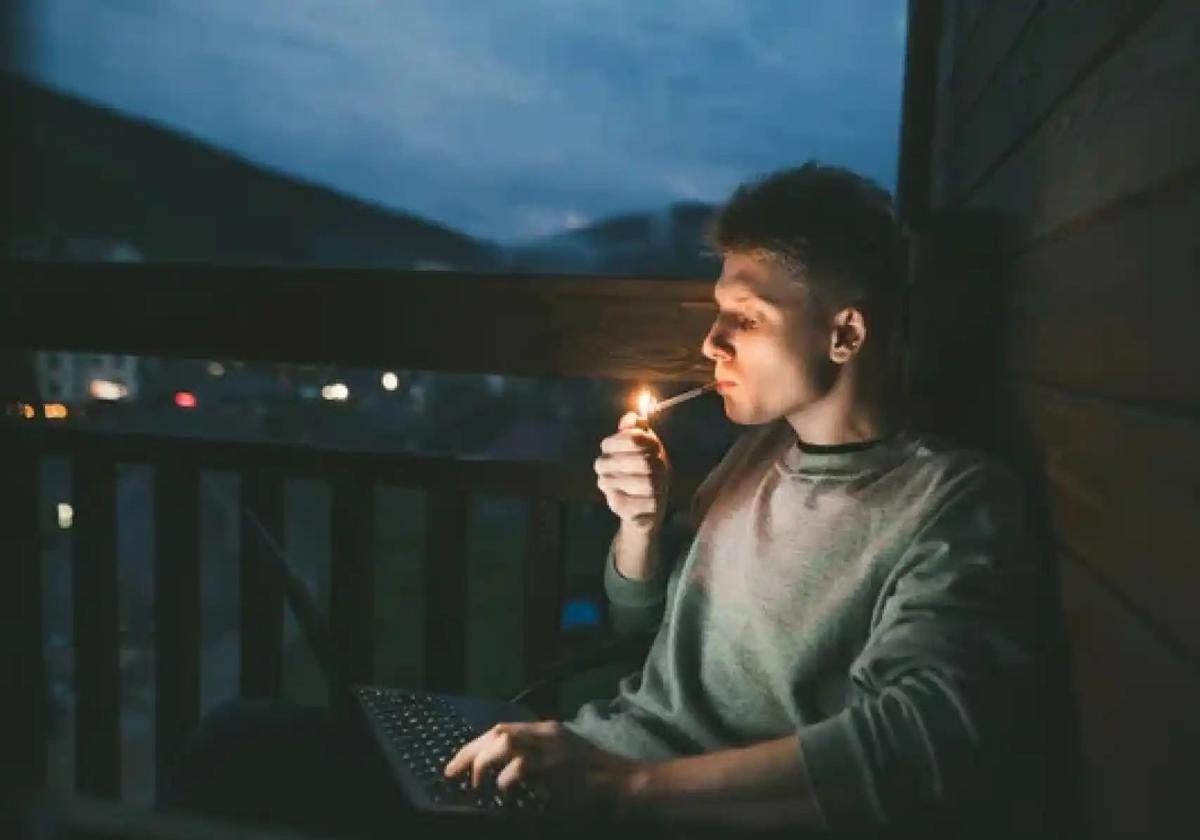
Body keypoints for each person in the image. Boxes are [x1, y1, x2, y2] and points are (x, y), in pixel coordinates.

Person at [441, 163, 1059, 837]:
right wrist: (640, 529)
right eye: (718, 313)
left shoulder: (952, 501)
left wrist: (623, 787)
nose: (711, 343)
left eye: (747, 318)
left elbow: (920, 742)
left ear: (845, 335)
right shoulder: (755, 456)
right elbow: (641, 639)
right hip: (598, 768)